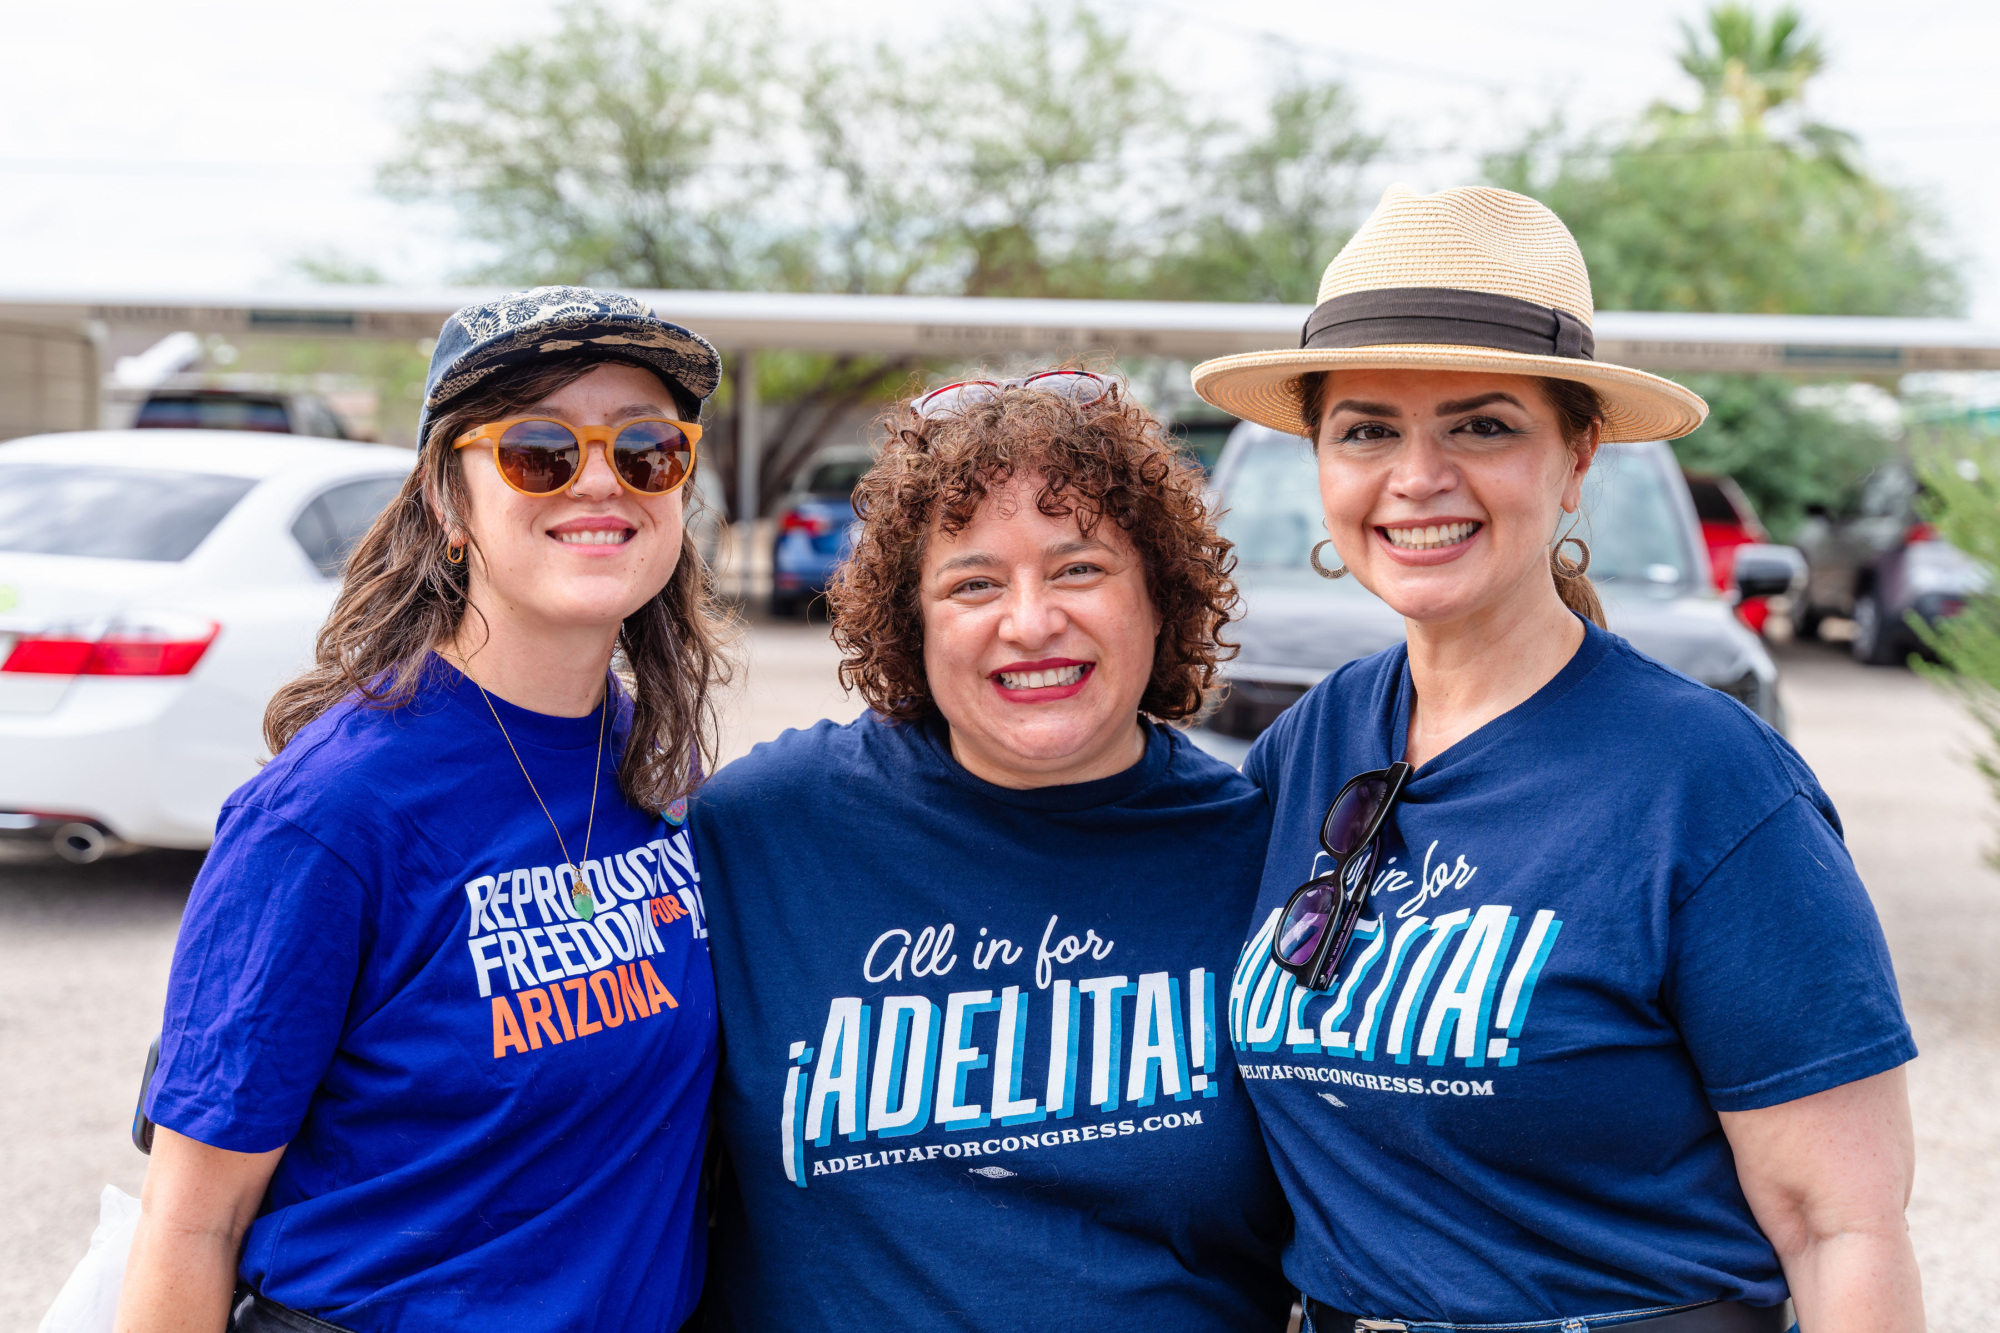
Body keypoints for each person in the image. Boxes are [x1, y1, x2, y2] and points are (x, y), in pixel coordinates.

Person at [1189, 187, 1922, 1333]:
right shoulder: (1313, 745)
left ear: (1576, 457)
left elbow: (1841, 1230)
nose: (1415, 476)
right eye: (1366, 427)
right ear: (1319, 462)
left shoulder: (1706, 784)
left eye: (1481, 426)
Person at [119, 287, 732, 1333]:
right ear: (449, 504)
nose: (599, 480)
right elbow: (191, 1225)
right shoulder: (329, 814)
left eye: (646, 451)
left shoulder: (642, 763)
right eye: (539, 450)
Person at [690, 371, 1292, 1331]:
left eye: (1078, 568)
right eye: (972, 582)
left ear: (1160, 594)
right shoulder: (759, 832)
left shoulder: (1260, 851)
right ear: (911, 617)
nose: (1030, 620)